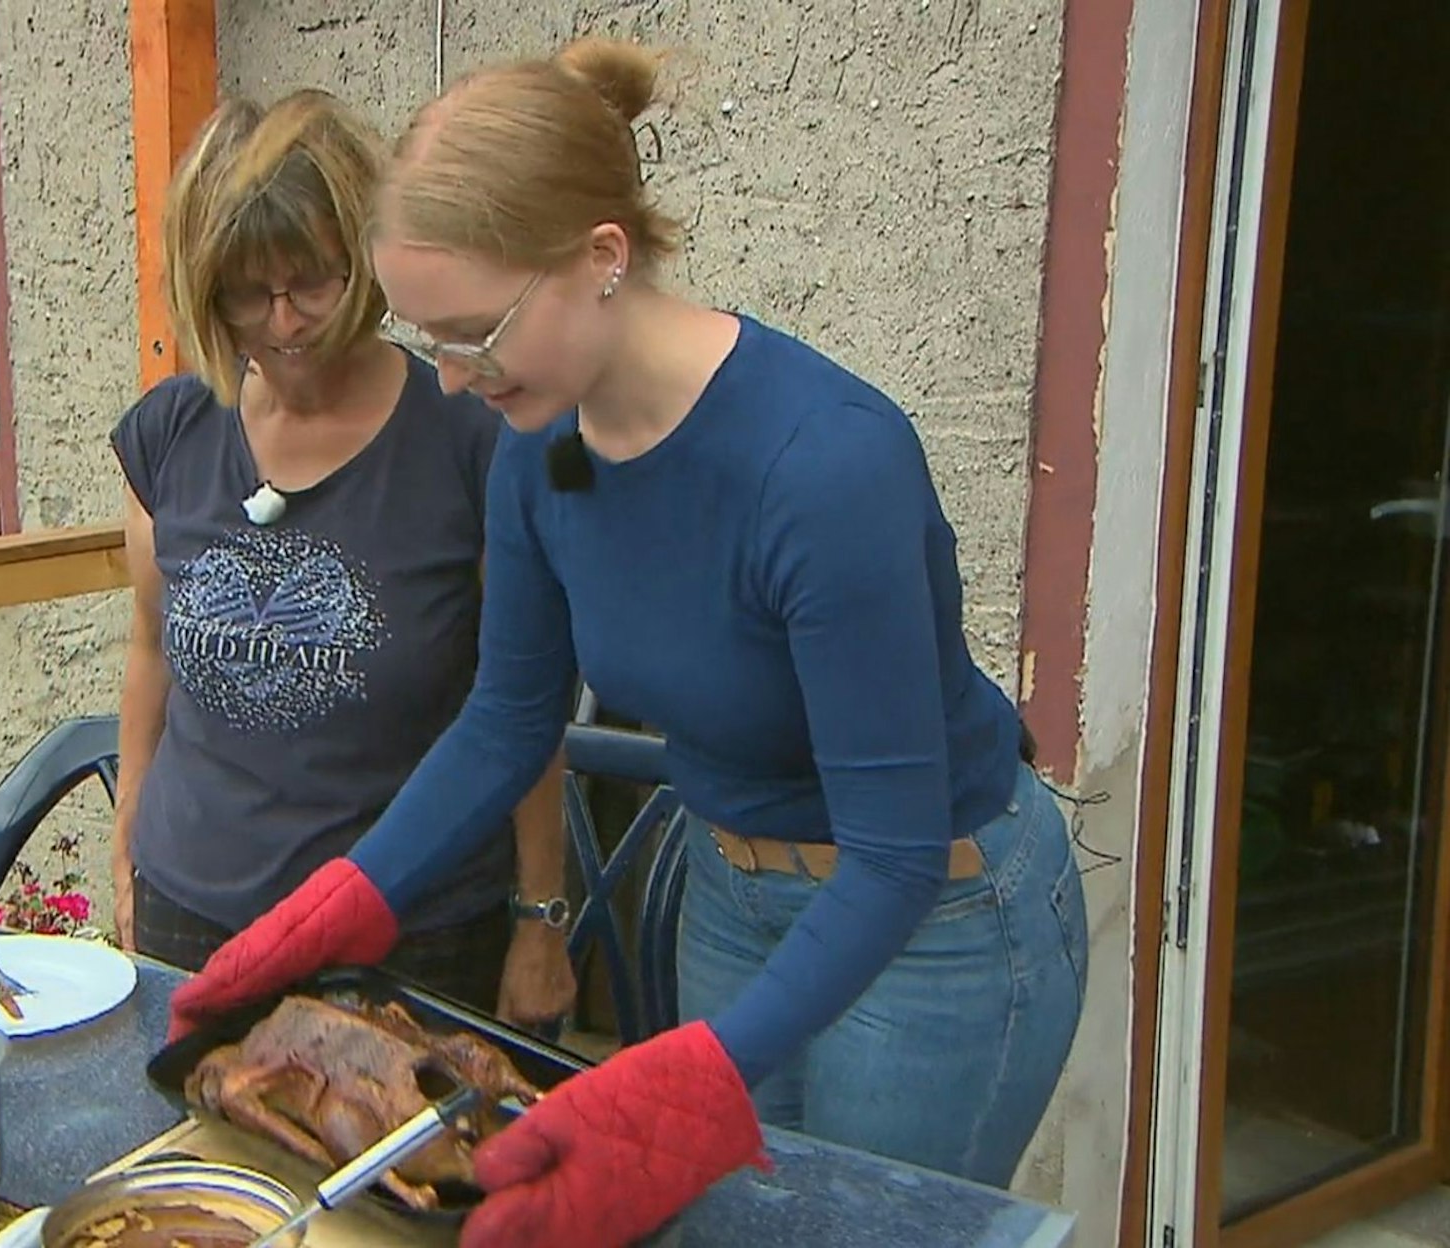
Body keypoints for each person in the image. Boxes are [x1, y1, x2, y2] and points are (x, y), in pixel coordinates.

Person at [166, 38, 1090, 1248]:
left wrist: (691, 1085)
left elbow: (893, 855)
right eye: (429, 336)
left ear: (601, 258)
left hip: (938, 925)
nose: (447, 382)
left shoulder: (826, 466)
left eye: (471, 334)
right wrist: (353, 894)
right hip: (728, 890)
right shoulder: (540, 449)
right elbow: (506, 722)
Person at [108, 89, 576, 1029]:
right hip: (193, 922)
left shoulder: (464, 440)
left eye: (312, 281)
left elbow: (521, 703)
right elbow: (151, 653)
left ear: (365, 260)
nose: (283, 321)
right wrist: (126, 854)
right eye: (249, 290)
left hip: (410, 938)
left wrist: (539, 918)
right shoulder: (171, 436)